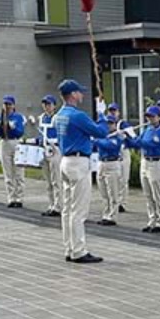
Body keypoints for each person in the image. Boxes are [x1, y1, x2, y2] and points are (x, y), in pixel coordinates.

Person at [54, 79, 108, 263]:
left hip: (65, 160)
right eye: (79, 92)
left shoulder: (59, 115)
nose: (82, 94)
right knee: (78, 210)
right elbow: (101, 132)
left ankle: (69, 248)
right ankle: (79, 251)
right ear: (73, 94)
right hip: (78, 162)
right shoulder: (77, 115)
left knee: (67, 209)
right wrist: (102, 114)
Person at [126, 106, 160, 233]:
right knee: (148, 194)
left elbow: (150, 145)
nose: (150, 118)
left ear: (159, 117)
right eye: (148, 116)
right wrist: (126, 138)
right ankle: (152, 220)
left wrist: (133, 136)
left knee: (157, 195)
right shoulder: (147, 130)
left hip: (156, 162)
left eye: (152, 116)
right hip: (145, 162)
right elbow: (137, 143)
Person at [0, 95, 26, 208]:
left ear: (13, 105)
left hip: (15, 142)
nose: (7, 107)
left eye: (9, 104)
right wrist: (0, 126)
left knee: (18, 171)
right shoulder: (0, 117)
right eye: (5, 104)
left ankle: (19, 197)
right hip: (5, 142)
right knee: (8, 172)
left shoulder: (18, 117)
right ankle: (11, 197)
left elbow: (20, 132)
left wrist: (11, 127)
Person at [93, 116, 124, 227]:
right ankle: (106, 215)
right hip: (101, 163)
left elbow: (109, 146)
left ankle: (112, 216)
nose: (109, 126)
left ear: (115, 125)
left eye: (111, 123)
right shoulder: (103, 135)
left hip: (112, 164)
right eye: (107, 124)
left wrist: (97, 140)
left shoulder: (117, 136)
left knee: (113, 192)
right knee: (104, 192)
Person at [38, 95, 62, 217]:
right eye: (45, 104)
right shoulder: (42, 118)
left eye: (49, 104)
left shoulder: (57, 118)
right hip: (45, 148)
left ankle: (58, 205)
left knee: (56, 179)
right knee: (48, 180)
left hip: (55, 148)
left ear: (54, 106)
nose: (46, 107)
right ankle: (51, 204)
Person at [106, 103, 132, 213]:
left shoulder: (123, 124)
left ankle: (122, 202)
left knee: (124, 179)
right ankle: (114, 201)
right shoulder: (106, 124)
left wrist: (125, 135)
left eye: (114, 111)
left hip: (123, 151)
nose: (112, 113)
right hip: (112, 153)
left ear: (118, 112)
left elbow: (133, 137)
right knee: (113, 180)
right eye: (110, 111)